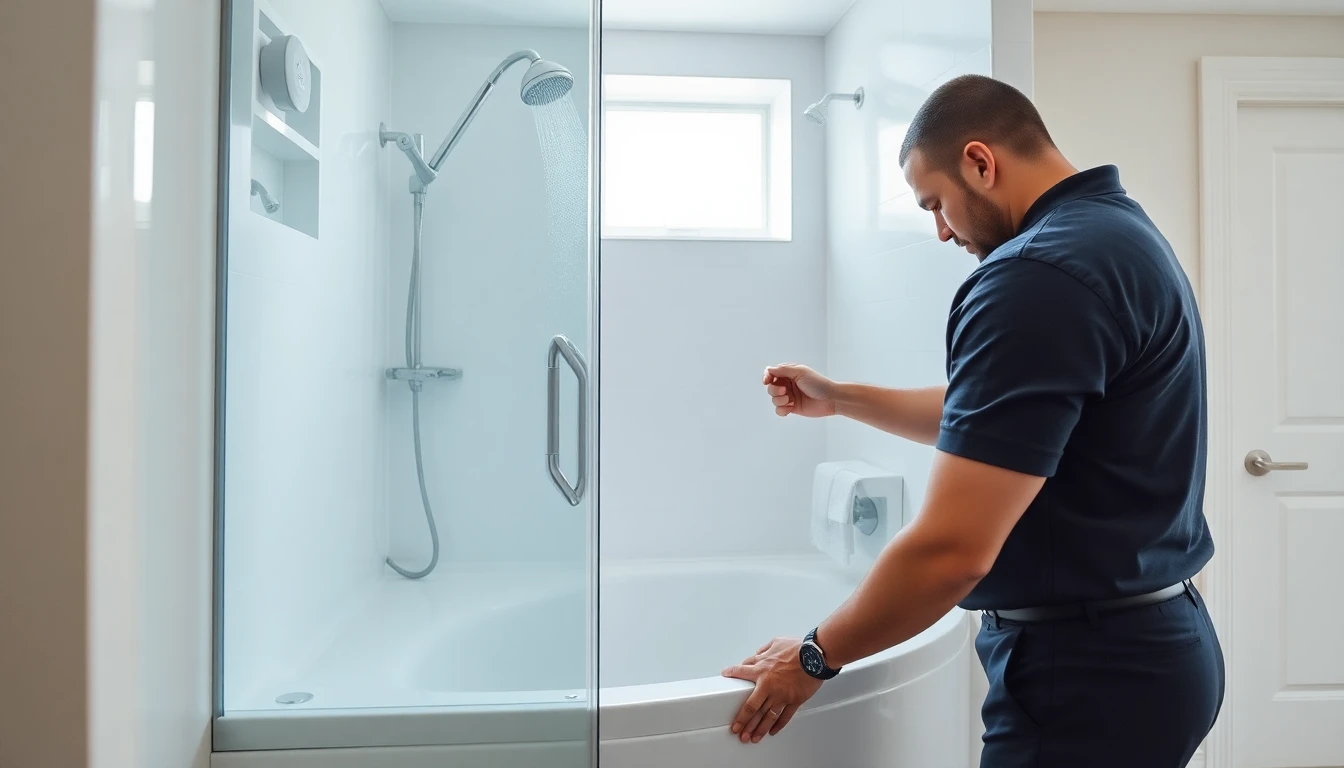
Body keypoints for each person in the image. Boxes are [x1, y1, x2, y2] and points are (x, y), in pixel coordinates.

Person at [721, 74, 1225, 767]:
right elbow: (1002, 422)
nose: (940, 231)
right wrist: (841, 397)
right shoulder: (1115, 235)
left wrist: (813, 655)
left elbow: (952, 550)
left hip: (1089, 674)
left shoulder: (1037, 275)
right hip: (1147, 646)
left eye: (936, 204)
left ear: (980, 162)